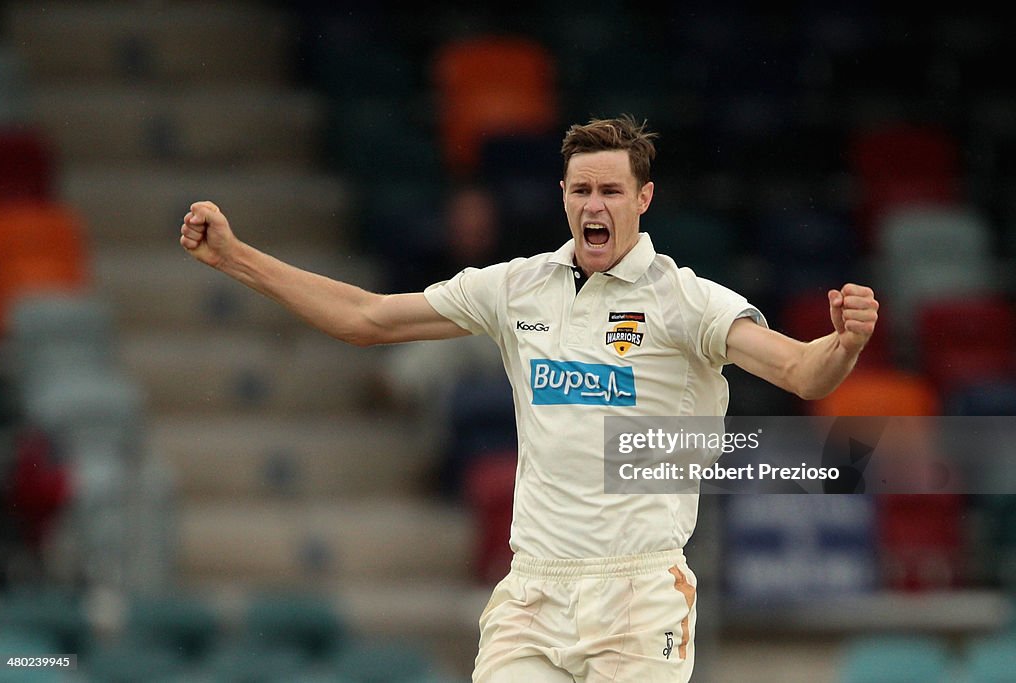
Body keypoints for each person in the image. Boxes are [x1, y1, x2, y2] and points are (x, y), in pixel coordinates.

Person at [179, 115, 878, 682]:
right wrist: (237, 257)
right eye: (580, 191)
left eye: (610, 190)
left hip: (636, 593)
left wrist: (842, 343)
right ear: (564, 196)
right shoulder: (518, 288)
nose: (593, 205)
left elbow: (801, 372)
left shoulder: (686, 300)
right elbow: (366, 318)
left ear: (644, 198)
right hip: (533, 591)